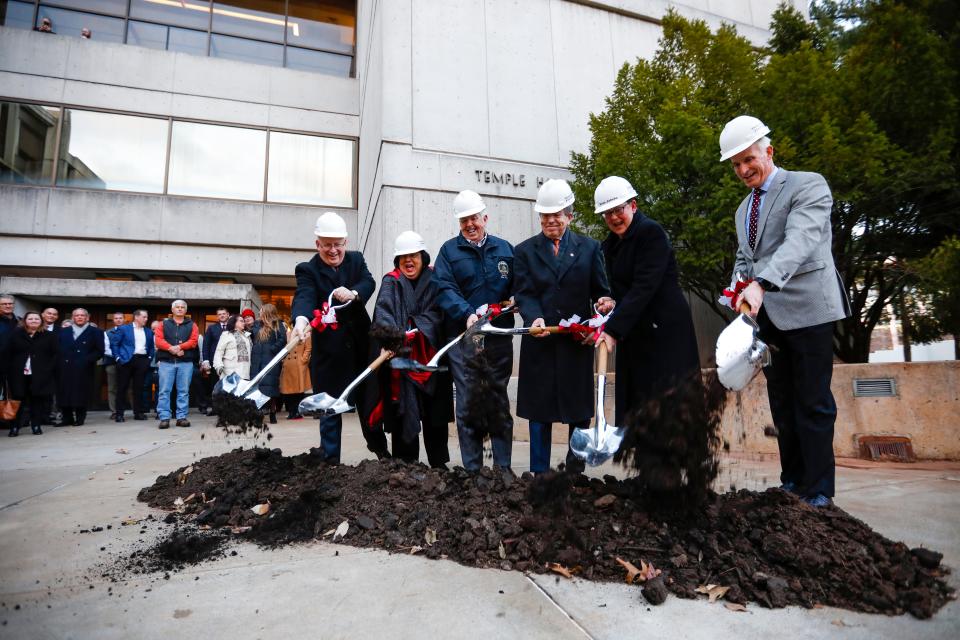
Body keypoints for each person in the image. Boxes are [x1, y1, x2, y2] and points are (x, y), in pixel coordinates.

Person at [718, 115, 851, 507]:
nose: (744, 169)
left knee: (812, 401)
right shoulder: (744, 209)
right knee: (783, 404)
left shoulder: (807, 185)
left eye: (749, 159)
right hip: (770, 322)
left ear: (768, 151)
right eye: (736, 164)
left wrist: (762, 283)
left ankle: (820, 490)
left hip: (809, 312)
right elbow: (745, 257)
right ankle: (792, 482)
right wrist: (738, 288)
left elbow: (801, 242)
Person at [513, 180, 614, 474]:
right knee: (539, 414)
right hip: (540, 342)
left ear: (569, 215)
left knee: (579, 412)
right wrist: (534, 318)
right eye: (544, 215)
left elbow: (600, 291)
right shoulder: (525, 251)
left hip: (575, 345)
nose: (550, 221)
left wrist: (603, 307)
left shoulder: (589, 248)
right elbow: (525, 293)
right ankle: (539, 475)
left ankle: (574, 473)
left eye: (556, 214)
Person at [592, 176, 700, 425]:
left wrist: (612, 329)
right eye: (607, 213)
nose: (614, 218)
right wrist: (612, 302)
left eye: (618, 210)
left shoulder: (651, 233)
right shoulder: (610, 245)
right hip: (636, 334)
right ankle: (647, 458)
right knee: (640, 405)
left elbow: (644, 287)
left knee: (669, 403)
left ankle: (678, 459)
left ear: (633, 205)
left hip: (665, 334)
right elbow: (626, 291)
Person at [434, 190, 515, 471]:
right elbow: (444, 288)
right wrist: (466, 314)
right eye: (464, 220)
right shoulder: (448, 252)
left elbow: (519, 285)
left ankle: (502, 468)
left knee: (498, 399)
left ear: (485, 217)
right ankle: (472, 470)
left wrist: (517, 299)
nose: (470, 224)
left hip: (498, 336)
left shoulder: (505, 249)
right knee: (468, 400)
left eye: (474, 218)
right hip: (463, 339)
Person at [292, 211, 376, 464]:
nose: (333, 250)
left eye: (337, 245)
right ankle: (330, 463)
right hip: (329, 354)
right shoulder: (308, 269)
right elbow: (305, 296)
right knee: (329, 412)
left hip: (362, 350)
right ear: (318, 244)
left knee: (369, 407)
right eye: (327, 245)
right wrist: (301, 320)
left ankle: (380, 452)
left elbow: (368, 282)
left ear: (345, 243)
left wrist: (353, 292)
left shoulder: (356, 261)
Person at [367, 231, 454, 467]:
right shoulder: (390, 281)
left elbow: (442, 313)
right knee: (403, 411)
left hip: (431, 357)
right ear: (397, 260)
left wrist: (418, 326)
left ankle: (438, 463)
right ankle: (405, 463)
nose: (408, 260)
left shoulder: (436, 279)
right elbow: (382, 315)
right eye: (403, 256)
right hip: (401, 362)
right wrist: (395, 335)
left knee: (434, 415)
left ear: (422, 256)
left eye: (413, 255)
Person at [7, 311, 59, 436]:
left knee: (37, 400)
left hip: (40, 374)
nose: (34, 321)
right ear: (25, 321)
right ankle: (15, 427)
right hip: (18, 374)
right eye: (30, 319)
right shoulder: (15, 334)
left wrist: (48, 369)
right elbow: (8, 353)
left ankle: (36, 425)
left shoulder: (49, 336)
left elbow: (55, 355)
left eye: (37, 319)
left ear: (41, 321)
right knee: (18, 400)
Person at [153, 299, 198, 429]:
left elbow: (194, 341)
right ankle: (164, 418)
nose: (179, 309)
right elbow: (158, 340)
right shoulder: (163, 324)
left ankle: (181, 417)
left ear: (185, 310)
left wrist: (179, 347)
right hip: (166, 362)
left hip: (185, 363)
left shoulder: (192, 325)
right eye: (177, 307)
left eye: (182, 307)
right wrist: (171, 349)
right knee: (164, 391)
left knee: (183, 391)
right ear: (172, 310)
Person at [56, 308, 104, 427]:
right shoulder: (63, 331)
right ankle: (67, 418)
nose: (79, 317)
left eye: (82, 315)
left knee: (81, 393)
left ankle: (80, 418)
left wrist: (86, 360)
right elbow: (57, 349)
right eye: (77, 315)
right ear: (73, 318)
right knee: (64, 392)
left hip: (84, 368)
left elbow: (99, 351)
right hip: (65, 367)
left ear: (87, 317)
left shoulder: (96, 331)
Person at [110, 309, 154, 422]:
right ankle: (119, 414)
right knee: (122, 388)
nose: (146, 319)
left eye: (146, 317)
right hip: (126, 361)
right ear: (136, 317)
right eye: (144, 317)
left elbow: (151, 347)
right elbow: (115, 344)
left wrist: (149, 359)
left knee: (139, 388)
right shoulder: (124, 329)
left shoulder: (149, 331)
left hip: (142, 361)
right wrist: (118, 358)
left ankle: (138, 413)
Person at [250, 304, 287, 424]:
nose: (259, 313)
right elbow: (253, 336)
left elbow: (283, 340)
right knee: (257, 388)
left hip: (270, 359)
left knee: (271, 388)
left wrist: (273, 349)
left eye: (261, 311)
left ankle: (272, 412)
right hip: (257, 361)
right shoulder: (256, 325)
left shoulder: (278, 324)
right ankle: (258, 414)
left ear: (267, 312)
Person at [200, 307, 230, 415]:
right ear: (217, 317)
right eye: (219, 314)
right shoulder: (212, 328)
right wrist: (206, 360)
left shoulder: (232, 327)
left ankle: (228, 408)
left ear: (228, 315)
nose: (221, 316)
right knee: (215, 385)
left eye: (223, 314)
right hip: (215, 362)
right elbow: (206, 345)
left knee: (228, 384)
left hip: (230, 362)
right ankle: (215, 408)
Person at [279, 323, 311, 420]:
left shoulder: (306, 333)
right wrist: (283, 360)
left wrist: (303, 360)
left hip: (298, 365)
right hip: (288, 365)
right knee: (288, 391)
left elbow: (308, 348)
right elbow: (285, 347)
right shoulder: (288, 333)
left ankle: (297, 412)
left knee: (299, 391)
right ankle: (291, 412)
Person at [0, 294, 20, 432]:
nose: (8, 306)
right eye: (4, 304)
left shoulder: (19, 321)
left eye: (10, 304)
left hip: (15, 364)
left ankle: (11, 421)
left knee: (15, 394)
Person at [213, 315, 252, 380]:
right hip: (230, 372)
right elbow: (219, 351)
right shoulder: (226, 334)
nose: (244, 323)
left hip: (245, 372)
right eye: (241, 321)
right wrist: (219, 366)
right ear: (234, 322)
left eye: (243, 321)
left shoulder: (247, 336)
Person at [102, 311, 124, 419]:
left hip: (126, 363)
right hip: (111, 362)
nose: (118, 320)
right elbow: (106, 349)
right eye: (116, 318)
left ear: (123, 319)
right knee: (112, 388)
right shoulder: (107, 333)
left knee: (128, 387)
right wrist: (118, 356)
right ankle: (114, 411)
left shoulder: (130, 332)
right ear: (113, 320)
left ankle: (134, 410)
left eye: (120, 318)